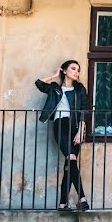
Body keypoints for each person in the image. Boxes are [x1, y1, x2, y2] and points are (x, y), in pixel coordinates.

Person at [35, 60, 90, 211]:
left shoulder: (79, 89)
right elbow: (39, 84)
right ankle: (83, 198)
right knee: (71, 159)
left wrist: (81, 131)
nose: (76, 72)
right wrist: (54, 75)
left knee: (69, 166)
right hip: (60, 125)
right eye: (73, 69)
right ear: (65, 71)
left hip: (75, 127)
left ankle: (62, 204)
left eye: (78, 70)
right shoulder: (55, 89)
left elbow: (84, 110)